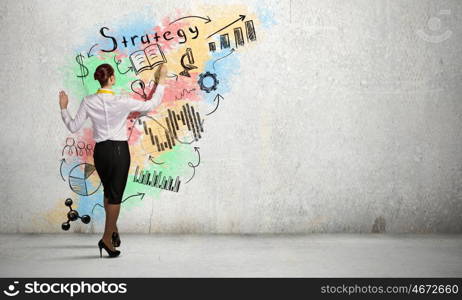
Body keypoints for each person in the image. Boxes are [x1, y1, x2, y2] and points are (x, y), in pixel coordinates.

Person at [59, 63, 167, 258]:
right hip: (118, 151)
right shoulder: (121, 101)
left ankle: (113, 232)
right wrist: (161, 82)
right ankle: (107, 238)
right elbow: (150, 105)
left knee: (109, 192)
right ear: (111, 79)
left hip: (100, 152)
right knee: (115, 196)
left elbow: (74, 127)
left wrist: (64, 109)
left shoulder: (88, 100)